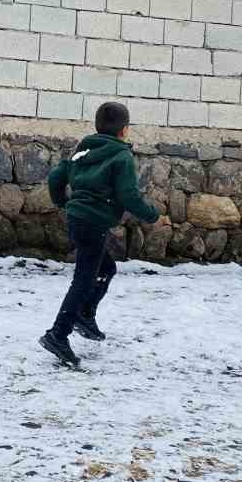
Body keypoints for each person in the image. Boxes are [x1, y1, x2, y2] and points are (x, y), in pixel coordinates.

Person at [39, 101, 160, 369]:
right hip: (93, 223)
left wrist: (62, 202)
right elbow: (128, 195)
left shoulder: (82, 151)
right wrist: (152, 214)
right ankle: (58, 334)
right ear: (124, 130)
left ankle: (85, 314)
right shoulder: (121, 157)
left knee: (106, 268)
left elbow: (55, 178)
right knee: (83, 279)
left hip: (78, 220)